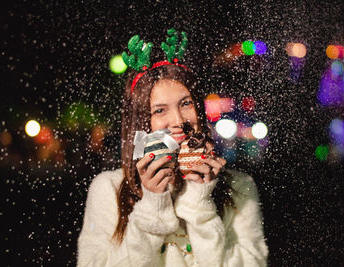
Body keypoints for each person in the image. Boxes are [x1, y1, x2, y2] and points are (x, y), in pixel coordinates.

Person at [77, 30, 268, 266]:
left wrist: (201, 202)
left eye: (186, 103)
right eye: (160, 110)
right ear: (140, 123)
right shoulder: (109, 189)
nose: (178, 120)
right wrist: (151, 206)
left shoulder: (240, 187)